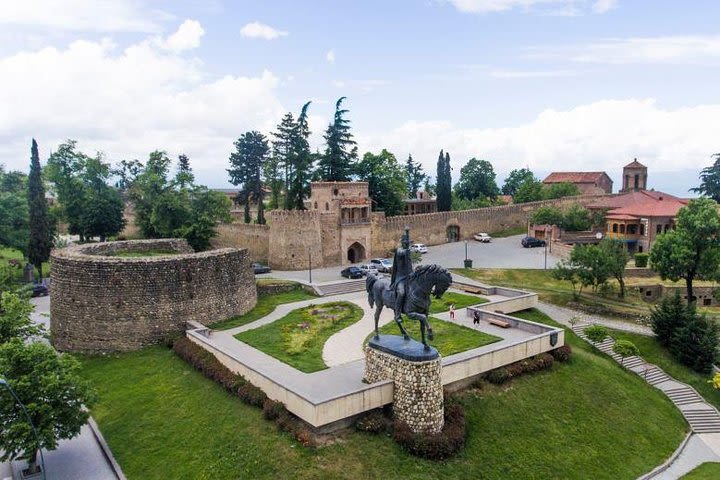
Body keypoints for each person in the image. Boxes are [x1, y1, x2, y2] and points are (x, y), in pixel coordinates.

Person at [389, 228, 413, 324]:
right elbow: (403, 253)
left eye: (408, 243)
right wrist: (407, 250)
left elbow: (410, 266)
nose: (406, 244)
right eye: (405, 242)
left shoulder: (408, 251)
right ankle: (397, 314)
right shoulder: (399, 251)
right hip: (400, 278)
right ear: (402, 242)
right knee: (401, 293)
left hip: (409, 277)